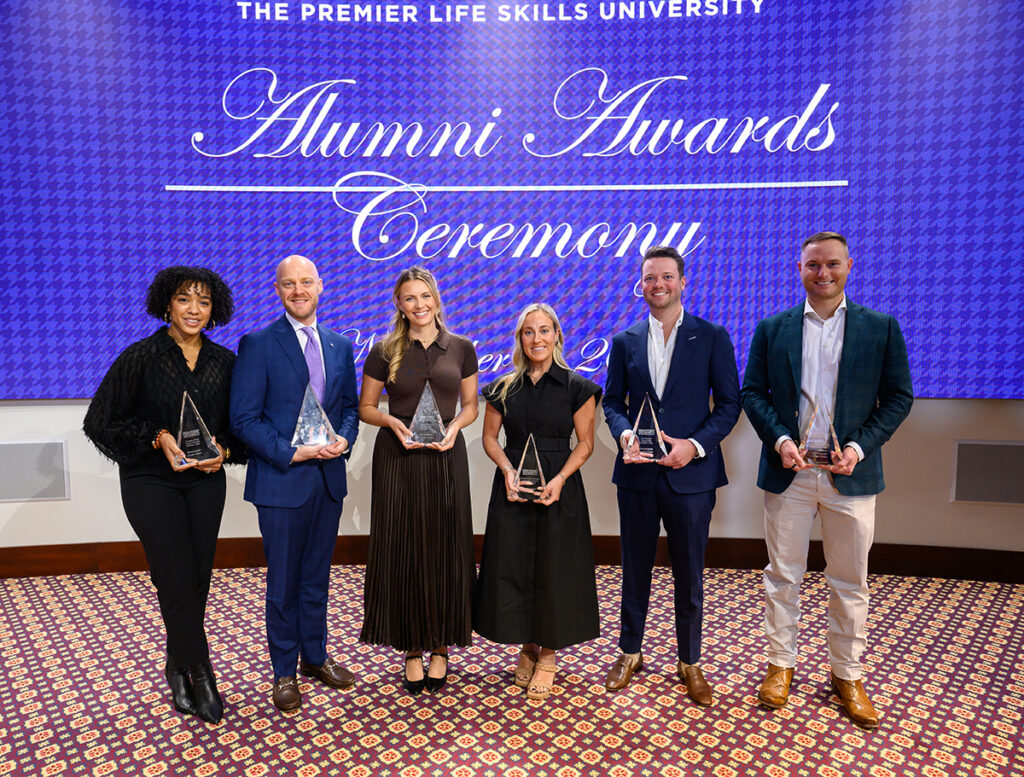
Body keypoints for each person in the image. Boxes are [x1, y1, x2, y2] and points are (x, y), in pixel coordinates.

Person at [741, 231, 912, 729]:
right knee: (782, 576)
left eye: (832, 264)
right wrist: (779, 441)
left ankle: (848, 675)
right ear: (800, 268)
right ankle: (780, 667)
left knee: (850, 582)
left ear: (849, 266)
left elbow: (899, 398)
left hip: (850, 476)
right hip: (790, 471)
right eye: (813, 265)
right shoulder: (773, 328)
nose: (823, 273)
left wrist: (858, 448)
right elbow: (754, 393)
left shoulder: (880, 328)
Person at [83, 265, 243, 724]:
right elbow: (101, 422)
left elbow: (240, 426)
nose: (194, 309)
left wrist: (224, 451)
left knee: (196, 578)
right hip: (149, 481)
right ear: (166, 304)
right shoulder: (141, 356)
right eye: (184, 299)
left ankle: (177, 663)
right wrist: (158, 437)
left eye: (204, 301)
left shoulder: (225, 363)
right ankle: (200, 671)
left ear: (215, 310)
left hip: (204, 481)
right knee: (174, 574)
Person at [602, 245, 741, 705]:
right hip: (638, 475)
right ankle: (629, 651)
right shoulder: (625, 341)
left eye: (666, 277)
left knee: (690, 573)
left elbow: (729, 404)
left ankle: (690, 660)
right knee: (634, 568)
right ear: (640, 285)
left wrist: (695, 446)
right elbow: (612, 403)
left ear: (683, 282)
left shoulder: (712, 336)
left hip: (691, 477)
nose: (657, 285)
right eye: (649, 278)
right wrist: (624, 437)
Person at [229, 254, 359, 712]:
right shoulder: (259, 344)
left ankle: (315, 658)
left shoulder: (340, 346)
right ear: (278, 290)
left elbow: (347, 408)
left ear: (320, 286)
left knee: (316, 579)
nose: (298, 291)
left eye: (306, 282)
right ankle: (283, 671)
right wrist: (292, 451)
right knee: (283, 582)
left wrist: (345, 437)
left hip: (327, 482)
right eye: (289, 284)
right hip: (282, 482)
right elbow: (243, 419)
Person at [358, 266, 479, 694]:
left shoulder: (461, 347)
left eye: (425, 296)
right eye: (409, 298)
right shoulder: (383, 349)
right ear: (399, 304)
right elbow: (366, 408)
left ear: (436, 298)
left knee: (445, 546)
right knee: (403, 546)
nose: (419, 305)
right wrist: (392, 422)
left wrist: (454, 430)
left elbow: (470, 406)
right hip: (398, 457)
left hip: (446, 456)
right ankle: (411, 646)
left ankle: (441, 645)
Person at [473, 304, 602, 701]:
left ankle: (548, 655)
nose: (537, 339)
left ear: (558, 335)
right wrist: (507, 471)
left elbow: (585, 443)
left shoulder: (578, 388)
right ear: (520, 339)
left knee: (554, 569)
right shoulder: (502, 388)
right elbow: (490, 439)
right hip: (513, 488)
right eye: (529, 332)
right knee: (514, 566)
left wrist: (561, 478)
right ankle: (526, 647)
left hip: (559, 491)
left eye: (544, 331)